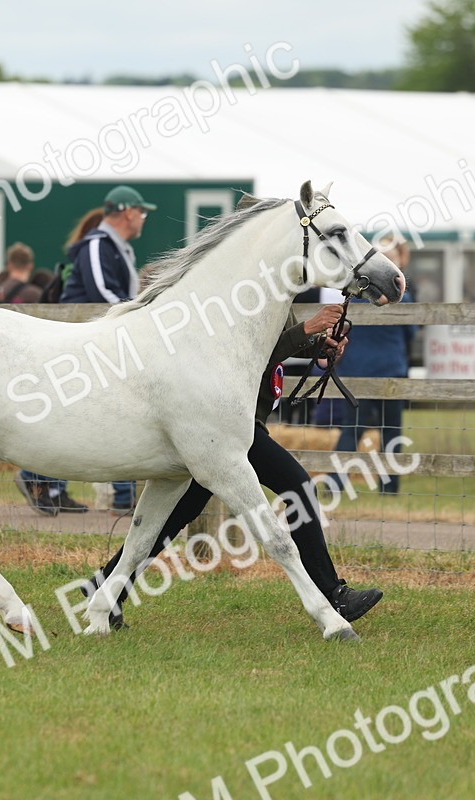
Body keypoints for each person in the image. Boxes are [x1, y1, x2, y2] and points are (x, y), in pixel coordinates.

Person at [81, 304, 383, 629]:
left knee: (177, 511)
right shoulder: (244, 295)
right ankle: (332, 594)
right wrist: (306, 331)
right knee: (297, 485)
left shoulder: (279, 298)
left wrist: (317, 346)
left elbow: (277, 342)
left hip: (236, 427)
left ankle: (106, 584)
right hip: (226, 427)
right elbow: (248, 351)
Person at [56, 187, 157, 513]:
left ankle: (124, 493)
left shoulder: (118, 248)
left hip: (101, 338)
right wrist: (139, 318)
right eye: (142, 212)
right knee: (69, 412)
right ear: (128, 212)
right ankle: (41, 480)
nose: (143, 219)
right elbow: (102, 293)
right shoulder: (99, 244)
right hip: (82, 340)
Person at [15, 207, 107, 516]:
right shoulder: (92, 254)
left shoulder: (89, 254)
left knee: (73, 416)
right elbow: (97, 298)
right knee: (62, 412)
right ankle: (35, 479)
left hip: (81, 343)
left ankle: (57, 489)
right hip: (75, 344)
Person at [324, 234, 416, 494]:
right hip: (388, 370)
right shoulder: (402, 299)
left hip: (359, 368)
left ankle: (334, 484)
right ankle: (389, 487)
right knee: (389, 431)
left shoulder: (356, 295)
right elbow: (412, 332)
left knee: (352, 431)